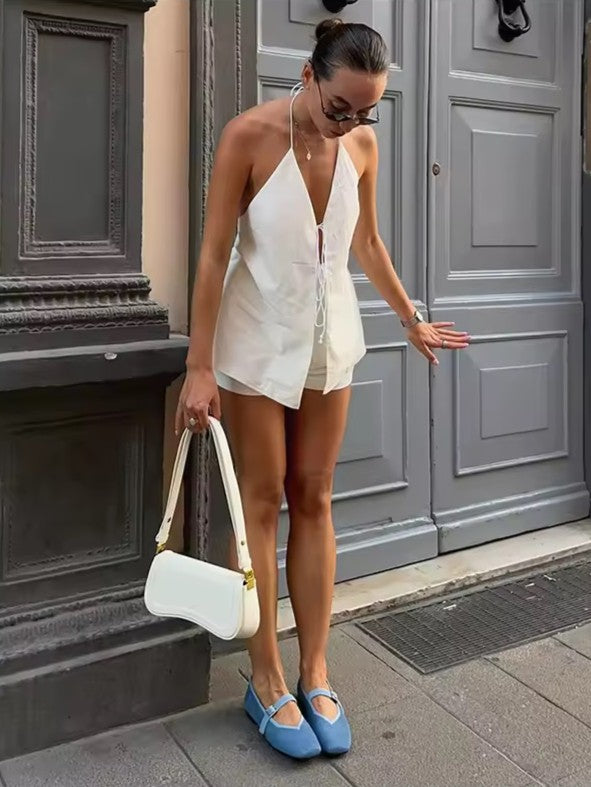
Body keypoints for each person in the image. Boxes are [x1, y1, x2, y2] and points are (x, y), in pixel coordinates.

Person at [176, 19, 470, 760]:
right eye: (340, 107)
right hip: (254, 342)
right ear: (308, 75)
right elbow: (212, 255)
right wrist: (199, 366)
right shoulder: (247, 136)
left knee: (315, 495)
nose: (351, 123)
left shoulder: (361, 146)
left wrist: (410, 318)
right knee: (262, 500)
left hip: (329, 340)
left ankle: (314, 670)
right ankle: (265, 675)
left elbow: (365, 241)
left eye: (366, 111)